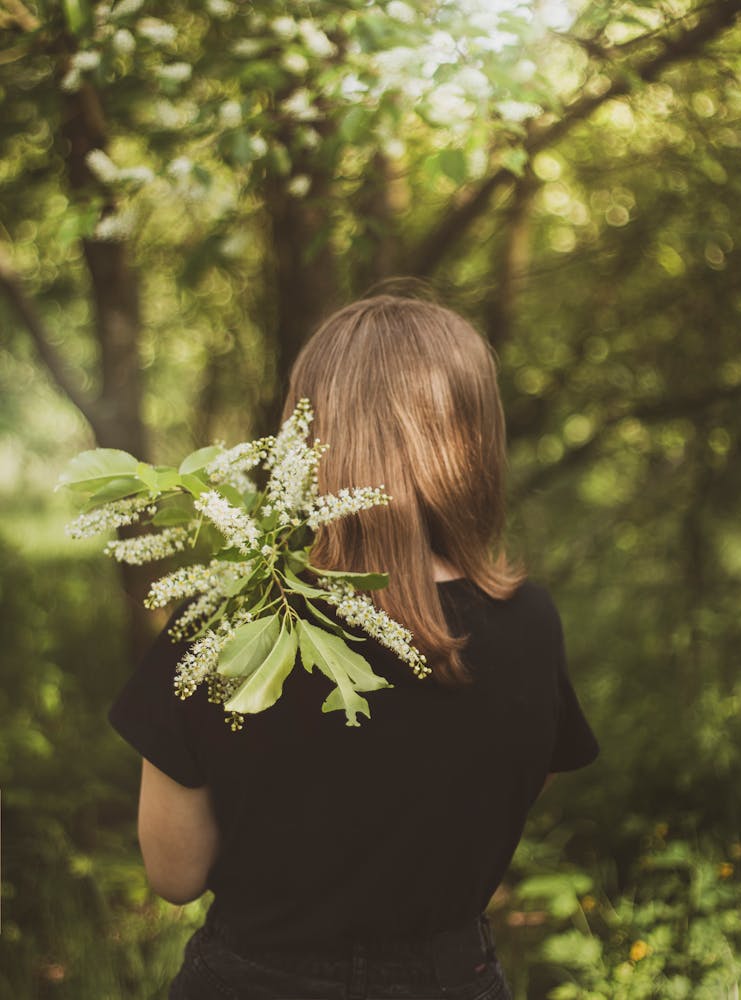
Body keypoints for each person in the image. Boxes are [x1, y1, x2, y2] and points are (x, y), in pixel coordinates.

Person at [109, 293, 599, 1000]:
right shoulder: (530, 623)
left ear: (308, 433)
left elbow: (175, 875)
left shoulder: (227, 616)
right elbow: (516, 791)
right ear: (473, 437)